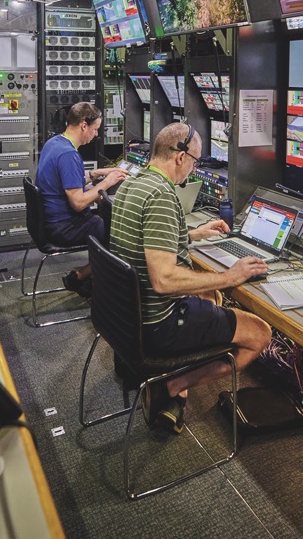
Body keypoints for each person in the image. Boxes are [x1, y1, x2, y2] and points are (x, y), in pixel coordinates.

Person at [110, 122, 272, 433]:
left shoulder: (135, 183)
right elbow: (164, 281)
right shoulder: (162, 195)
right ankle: (173, 384)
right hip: (161, 323)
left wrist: (192, 233)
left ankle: (172, 383)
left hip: (128, 319)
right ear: (180, 156)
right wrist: (229, 276)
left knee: (210, 298)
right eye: (196, 162)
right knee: (260, 334)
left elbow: (146, 237)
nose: (194, 170)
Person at [35, 102, 128, 296]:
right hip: (65, 227)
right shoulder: (69, 154)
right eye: (95, 129)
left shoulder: (55, 143)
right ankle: (85, 277)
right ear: (84, 125)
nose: (95, 135)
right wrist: (107, 183)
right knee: (123, 236)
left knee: (104, 223)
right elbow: (77, 203)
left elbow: (70, 180)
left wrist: (98, 173)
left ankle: (87, 276)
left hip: (50, 222)